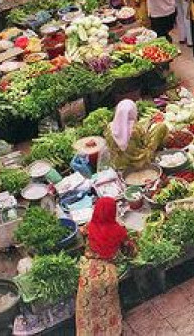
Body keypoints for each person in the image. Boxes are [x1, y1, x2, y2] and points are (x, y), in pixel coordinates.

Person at [76, 197, 132, 336]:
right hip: (108, 274)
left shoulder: (89, 226)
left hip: (89, 273)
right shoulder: (119, 230)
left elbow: (80, 234)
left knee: (87, 312)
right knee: (108, 309)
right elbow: (130, 249)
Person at [104, 99, 168, 171]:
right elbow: (144, 143)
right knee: (161, 127)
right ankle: (162, 149)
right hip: (138, 160)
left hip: (118, 162)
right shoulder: (135, 129)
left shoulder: (109, 128)